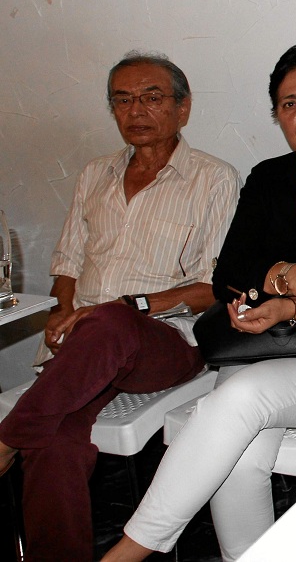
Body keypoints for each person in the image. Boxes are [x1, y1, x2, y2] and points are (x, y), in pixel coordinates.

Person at [102, 43, 296, 561]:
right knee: (237, 461)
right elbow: (228, 276)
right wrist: (294, 277)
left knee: (233, 403)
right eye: (288, 104)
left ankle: (130, 550)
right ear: (277, 118)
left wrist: (290, 307)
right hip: (254, 347)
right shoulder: (266, 179)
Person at [0, 53, 239, 561]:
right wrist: (63, 312)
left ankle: (5, 441)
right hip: (86, 347)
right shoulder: (94, 175)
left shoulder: (213, 178)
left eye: (153, 97)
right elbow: (66, 265)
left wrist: (132, 306)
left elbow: (214, 287)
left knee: (111, 316)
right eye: (123, 99)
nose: (137, 110)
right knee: (54, 442)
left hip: (166, 342)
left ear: (183, 108)